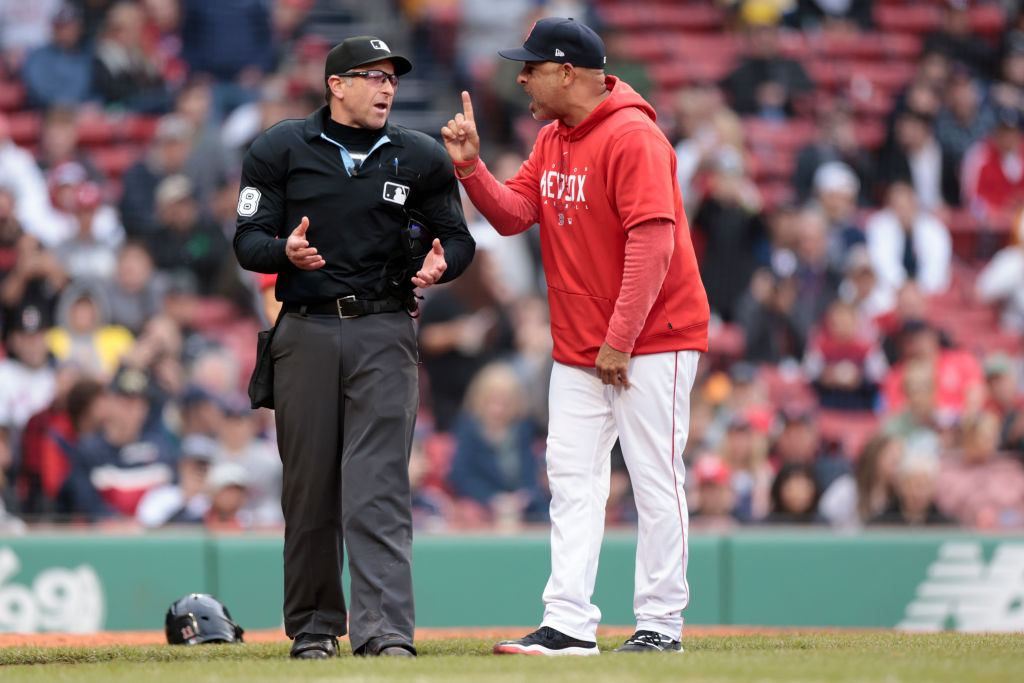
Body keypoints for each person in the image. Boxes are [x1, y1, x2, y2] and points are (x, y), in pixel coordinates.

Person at [442, 17, 709, 655]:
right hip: (582, 345)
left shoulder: (633, 136)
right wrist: (472, 168)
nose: (521, 77)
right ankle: (567, 624)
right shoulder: (553, 138)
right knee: (570, 477)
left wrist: (619, 339)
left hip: (654, 338)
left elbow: (654, 243)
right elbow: (511, 216)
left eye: (531, 67)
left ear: (567, 72)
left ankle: (661, 625)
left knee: (654, 477)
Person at [233, 35, 474, 660]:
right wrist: (283, 251)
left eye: (392, 78)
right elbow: (247, 240)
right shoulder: (280, 147)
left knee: (381, 487)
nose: (387, 87)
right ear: (336, 84)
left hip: (385, 328)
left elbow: (458, 239)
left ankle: (387, 632)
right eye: (373, 76)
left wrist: (442, 266)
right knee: (310, 489)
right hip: (306, 325)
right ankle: (314, 629)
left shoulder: (420, 156)